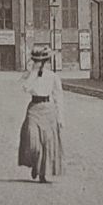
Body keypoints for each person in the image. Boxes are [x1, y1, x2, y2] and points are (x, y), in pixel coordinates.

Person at [17, 44, 64, 183]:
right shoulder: (30, 75)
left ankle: (42, 173)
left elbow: (58, 96)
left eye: (40, 61)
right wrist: (33, 74)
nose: (38, 64)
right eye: (36, 61)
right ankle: (35, 164)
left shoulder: (53, 76)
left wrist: (60, 117)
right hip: (34, 108)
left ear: (45, 62)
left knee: (47, 143)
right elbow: (25, 88)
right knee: (32, 141)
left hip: (48, 109)